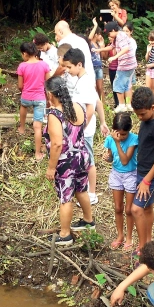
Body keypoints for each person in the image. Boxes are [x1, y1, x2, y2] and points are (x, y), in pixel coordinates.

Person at [43, 77, 95, 245]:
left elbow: (57, 144)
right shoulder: (78, 106)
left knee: (66, 197)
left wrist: (51, 168)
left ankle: (65, 234)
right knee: (81, 190)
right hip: (82, 156)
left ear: (50, 94)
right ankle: (88, 221)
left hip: (66, 162)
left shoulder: (55, 114)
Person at [61, 48, 110, 205]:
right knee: (84, 159)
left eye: (69, 67)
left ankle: (92, 193)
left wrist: (79, 129)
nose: (67, 70)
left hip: (84, 129)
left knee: (89, 161)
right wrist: (103, 122)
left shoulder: (85, 82)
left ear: (79, 64)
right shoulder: (83, 79)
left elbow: (90, 109)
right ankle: (85, 188)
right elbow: (98, 102)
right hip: (84, 127)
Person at [130, 87, 154, 254]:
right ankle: (148, 240)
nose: (139, 118)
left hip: (152, 174)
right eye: (137, 114)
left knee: (136, 209)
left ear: (153, 107)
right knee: (147, 207)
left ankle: (143, 247)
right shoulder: (146, 120)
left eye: (142, 114)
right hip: (142, 169)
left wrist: (147, 180)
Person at [104, 112, 139, 251]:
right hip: (116, 174)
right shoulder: (110, 139)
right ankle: (120, 236)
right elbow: (112, 157)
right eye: (118, 134)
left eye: (124, 134)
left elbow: (125, 161)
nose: (121, 137)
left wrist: (118, 142)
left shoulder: (133, 140)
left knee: (129, 209)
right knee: (118, 208)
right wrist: (108, 158)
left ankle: (129, 237)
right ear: (114, 130)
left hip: (130, 174)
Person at [17, 41, 52, 161]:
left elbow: (20, 86)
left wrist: (25, 90)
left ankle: (21, 127)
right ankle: (37, 154)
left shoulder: (22, 66)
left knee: (23, 105)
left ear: (25, 53)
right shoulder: (44, 65)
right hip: (40, 99)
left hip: (26, 96)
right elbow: (48, 84)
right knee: (37, 127)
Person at [103, 21, 137, 113]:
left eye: (109, 33)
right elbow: (111, 47)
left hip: (126, 64)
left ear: (114, 30)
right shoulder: (119, 36)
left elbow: (125, 49)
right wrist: (99, 50)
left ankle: (122, 105)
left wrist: (114, 57)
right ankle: (128, 105)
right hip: (130, 64)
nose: (109, 35)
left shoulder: (120, 36)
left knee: (117, 84)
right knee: (127, 85)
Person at [88, 18, 105, 102]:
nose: (101, 36)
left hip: (99, 67)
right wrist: (95, 25)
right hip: (92, 67)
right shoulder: (90, 43)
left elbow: (103, 56)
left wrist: (102, 47)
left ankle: (103, 105)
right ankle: (94, 105)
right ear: (96, 35)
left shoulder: (99, 44)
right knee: (93, 87)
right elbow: (89, 38)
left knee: (100, 87)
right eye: (99, 34)